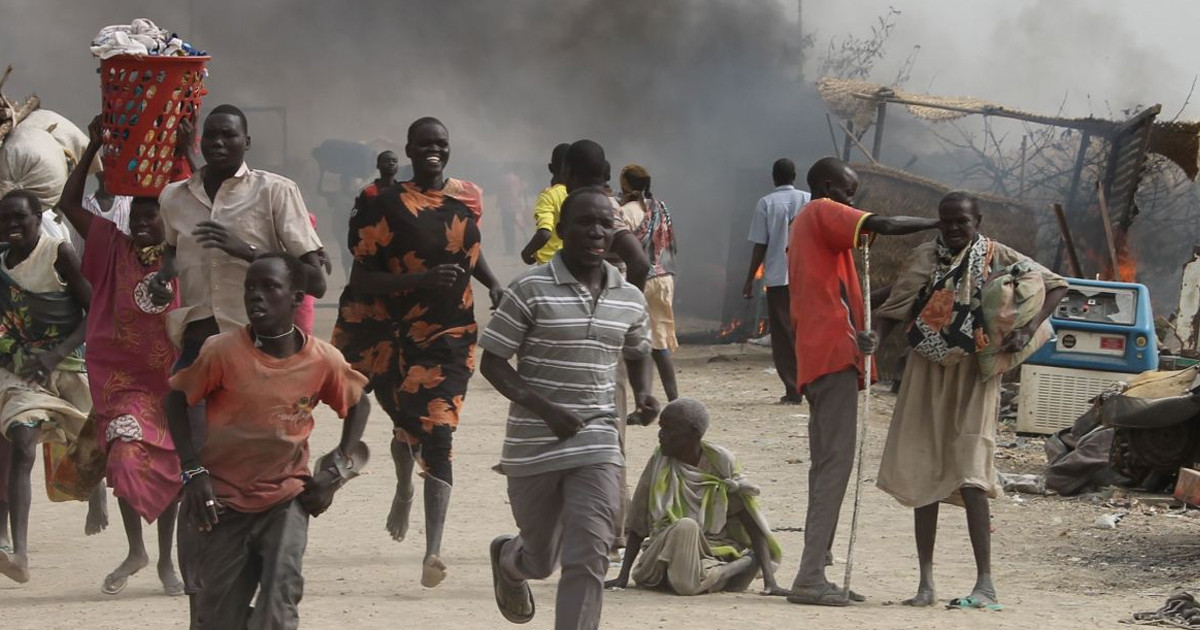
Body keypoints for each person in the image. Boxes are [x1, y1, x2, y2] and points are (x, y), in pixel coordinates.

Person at [150, 103, 328, 617]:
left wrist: (245, 249)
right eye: (212, 136)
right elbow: (170, 251)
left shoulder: (275, 191)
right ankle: (199, 600)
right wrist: (165, 275)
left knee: (262, 470)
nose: (219, 143)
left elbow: (313, 278)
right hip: (201, 345)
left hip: (262, 353)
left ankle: (265, 583)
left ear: (247, 142)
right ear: (200, 142)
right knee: (197, 470)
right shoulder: (173, 198)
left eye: (230, 136)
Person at [331, 116, 504, 588]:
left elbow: (468, 245)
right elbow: (361, 277)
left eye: (441, 143)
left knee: (440, 430)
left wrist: (492, 283)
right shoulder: (379, 202)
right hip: (389, 331)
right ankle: (405, 485)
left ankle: (433, 551)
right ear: (409, 148)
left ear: (450, 149)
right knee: (407, 422)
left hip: (449, 331)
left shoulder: (468, 196)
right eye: (425, 143)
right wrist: (420, 280)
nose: (434, 150)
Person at [872, 192, 1067, 610]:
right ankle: (925, 583)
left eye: (962, 222)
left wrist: (1027, 328)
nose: (955, 229)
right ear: (939, 223)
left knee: (973, 470)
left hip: (977, 371)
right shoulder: (925, 257)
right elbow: (896, 306)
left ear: (977, 221)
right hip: (926, 367)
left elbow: (1055, 286)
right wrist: (870, 348)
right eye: (947, 222)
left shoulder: (999, 256)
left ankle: (986, 584)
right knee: (923, 464)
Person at [480, 187, 659, 630]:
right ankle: (510, 559)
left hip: (598, 442)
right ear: (561, 231)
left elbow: (639, 351)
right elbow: (492, 361)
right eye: (585, 222)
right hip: (534, 447)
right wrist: (545, 409)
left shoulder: (629, 298)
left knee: (590, 553)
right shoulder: (529, 289)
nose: (597, 231)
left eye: (606, 223)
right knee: (541, 561)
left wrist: (643, 394)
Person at [165, 253, 370, 630]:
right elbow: (177, 400)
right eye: (250, 288)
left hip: (286, 499)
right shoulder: (221, 351)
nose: (256, 296)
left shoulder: (322, 360)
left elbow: (359, 403)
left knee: (279, 604)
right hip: (224, 504)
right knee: (218, 620)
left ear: (297, 297)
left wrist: (337, 470)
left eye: (269, 287)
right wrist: (193, 471)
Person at [785, 157, 939, 606]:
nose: (853, 203)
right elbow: (884, 224)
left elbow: (855, 299)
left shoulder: (817, 236)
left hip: (826, 353)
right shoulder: (820, 212)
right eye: (849, 193)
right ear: (829, 187)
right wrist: (936, 220)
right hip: (829, 354)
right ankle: (810, 575)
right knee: (835, 465)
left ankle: (819, 564)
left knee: (827, 465)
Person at [56, 117, 186, 596]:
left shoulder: (183, 249)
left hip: (174, 382)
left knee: (172, 468)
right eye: (140, 214)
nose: (146, 221)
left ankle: (167, 561)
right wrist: (91, 145)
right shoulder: (112, 244)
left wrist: (184, 149)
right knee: (127, 461)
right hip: (124, 384)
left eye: (155, 215)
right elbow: (69, 204)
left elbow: (196, 200)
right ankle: (136, 549)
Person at [0, 190, 93, 584]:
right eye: (5, 220)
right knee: (21, 444)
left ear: (38, 216)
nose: (13, 226)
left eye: (20, 218)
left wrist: (55, 356)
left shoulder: (59, 253)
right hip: (23, 375)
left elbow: (95, 311)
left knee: (98, 455)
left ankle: (98, 498)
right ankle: (19, 553)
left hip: (68, 367)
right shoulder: (1, 265)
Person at [605, 398, 785, 596]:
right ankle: (737, 568)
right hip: (660, 557)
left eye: (668, 430)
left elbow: (751, 523)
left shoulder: (719, 464)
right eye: (661, 428)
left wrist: (771, 581)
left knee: (686, 545)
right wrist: (623, 576)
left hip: (708, 555)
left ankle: (707, 575)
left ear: (693, 433)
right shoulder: (659, 461)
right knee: (684, 530)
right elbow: (638, 522)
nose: (661, 436)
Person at [744, 158, 810, 404]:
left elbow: (760, 245)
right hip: (806, 276)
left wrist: (749, 279)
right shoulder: (809, 199)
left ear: (774, 177)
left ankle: (793, 389)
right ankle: (810, 383)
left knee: (783, 334)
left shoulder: (766, 203)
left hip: (778, 277)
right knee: (804, 330)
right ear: (795, 175)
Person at [618, 164, 679, 401]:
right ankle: (674, 400)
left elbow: (622, 247)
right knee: (659, 342)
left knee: (630, 341)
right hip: (664, 279)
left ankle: (638, 400)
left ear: (626, 185)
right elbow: (672, 243)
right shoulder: (662, 207)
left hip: (638, 279)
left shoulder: (627, 211)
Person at [521, 143, 570, 265]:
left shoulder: (548, 196)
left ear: (550, 168)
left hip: (550, 265)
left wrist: (526, 253)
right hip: (576, 264)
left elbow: (544, 233)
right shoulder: (582, 194)